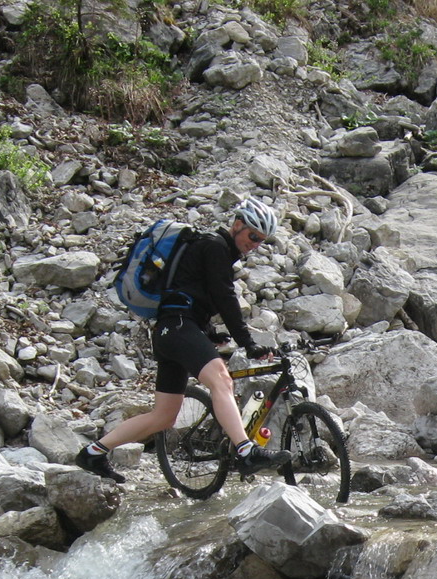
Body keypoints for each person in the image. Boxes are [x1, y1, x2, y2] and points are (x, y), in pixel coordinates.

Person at [76, 197, 292, 483]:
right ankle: (245, 450)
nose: (255, 243)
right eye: (253, 236)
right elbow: (225, 298)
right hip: (177, 328)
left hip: (171, 331)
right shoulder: (215, 247)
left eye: (261, 240)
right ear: (238, 225)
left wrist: (211, 334)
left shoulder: (211, 250)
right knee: (221, 380)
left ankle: (92, 452)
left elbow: (192, 294)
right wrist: (247, 342)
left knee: (164, 417)